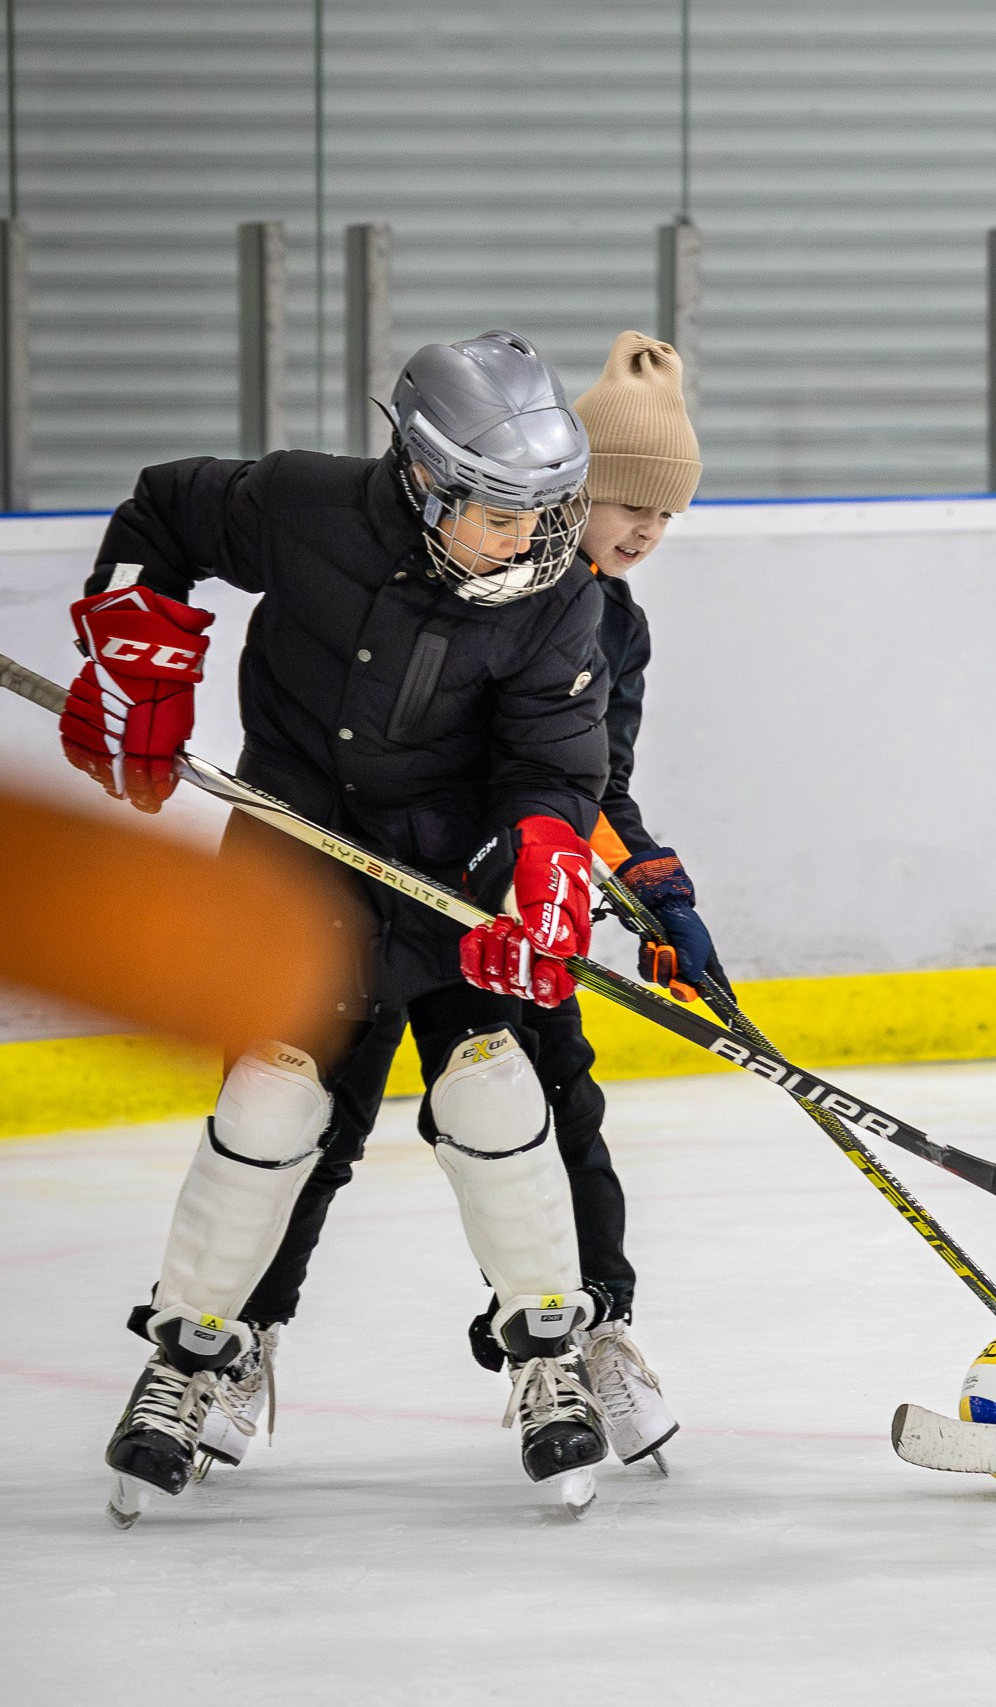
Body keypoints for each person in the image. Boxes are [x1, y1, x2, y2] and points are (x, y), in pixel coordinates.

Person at [66, 330, 617, 1520]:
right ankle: (189, 1360)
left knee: (490, 1088)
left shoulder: (555, 598)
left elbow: (552, 765)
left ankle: (548, 1359)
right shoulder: (302, 507)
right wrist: (136, 650)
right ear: (422, 477)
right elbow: (161, 514)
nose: (531, 539)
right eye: (497, 512)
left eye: (547, 510)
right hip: (292, 859)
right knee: (271, 1098)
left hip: (449, 873)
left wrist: (537, 857)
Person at [207, 333, 711, 1478]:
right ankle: (239, 1336)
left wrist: (651, 887)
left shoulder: (607, 619)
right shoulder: (444, 567)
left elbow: (591, 780)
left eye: (666, 516)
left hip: (493, 906)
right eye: (622, 503)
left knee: (541, 1110)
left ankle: (584, 1331)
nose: (642, 531)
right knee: (311, 1117)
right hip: (360, 881)